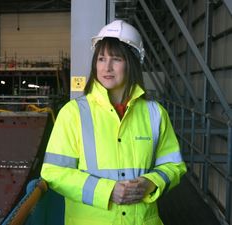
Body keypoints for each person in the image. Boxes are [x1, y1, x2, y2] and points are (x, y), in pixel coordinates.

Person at [40, 20, 186, 225]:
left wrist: (150, 183)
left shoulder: (155, 114)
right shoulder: (73, 113)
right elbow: (53, 172)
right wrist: (107, 191)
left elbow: (174, 166)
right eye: (101, 59)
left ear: (132, 63)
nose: (106, 67)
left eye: (116, 59)